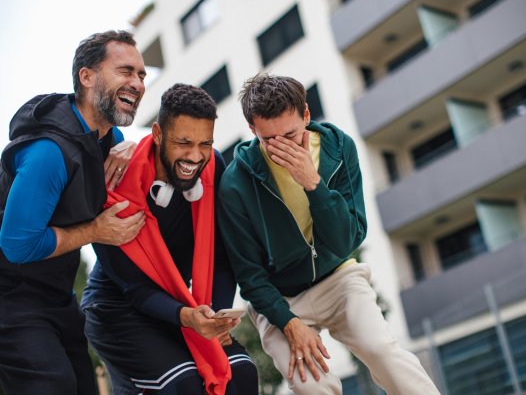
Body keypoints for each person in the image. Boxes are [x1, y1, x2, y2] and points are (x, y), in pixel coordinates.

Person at [217, 73, 441, 395]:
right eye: (269, 140)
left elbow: (348, 239)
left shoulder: (338, 149)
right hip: (280, 300)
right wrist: (289, 324)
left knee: (383, 352)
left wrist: (313, 184)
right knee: (312, 387)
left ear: (306, 115)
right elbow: (249, 276)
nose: (282, 149)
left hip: (337, 278)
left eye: (291, 135)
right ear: (253, 130)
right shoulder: (235, 184)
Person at [82, 84, 258, 395]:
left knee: (241, 375)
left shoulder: (213, 168)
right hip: (115, 308)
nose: (195, 155)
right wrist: (189, 317)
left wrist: (211, 320)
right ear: (159, 134)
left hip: (178, 306)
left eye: (205, 143)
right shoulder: (115, 182)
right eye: (184, 142)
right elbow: (134, 287)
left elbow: (221, 258)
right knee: (184, 385)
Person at [0, 30, 147, 395]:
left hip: (58, 296)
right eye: (125, 71)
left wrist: (137, 147)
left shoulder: (107, 140)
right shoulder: (49, 152)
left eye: (142, 75)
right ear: (87, 76)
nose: (138, 83)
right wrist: (95, 232)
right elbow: (16, 245)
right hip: (9, 296)